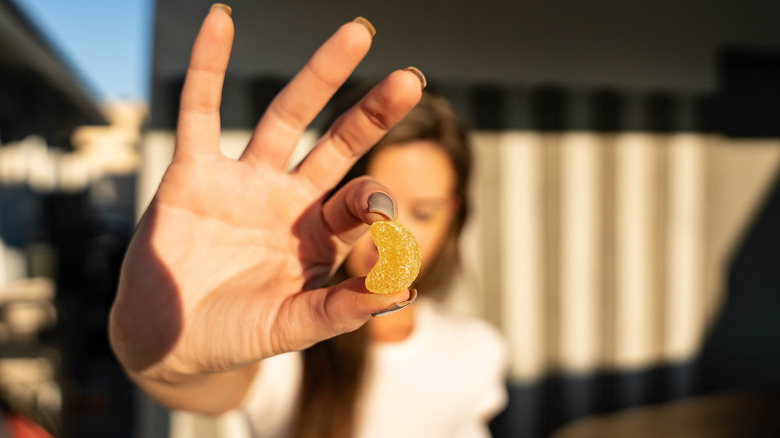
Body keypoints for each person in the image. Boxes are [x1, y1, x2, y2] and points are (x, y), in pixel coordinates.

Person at [108, 4, 507, 437]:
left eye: (424, 212)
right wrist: (160, 359)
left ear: (455, 217)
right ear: (338, 199)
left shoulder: (477, 352)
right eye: (378, 208)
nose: (390, 235)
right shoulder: (287, 337)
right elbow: (210, 385)